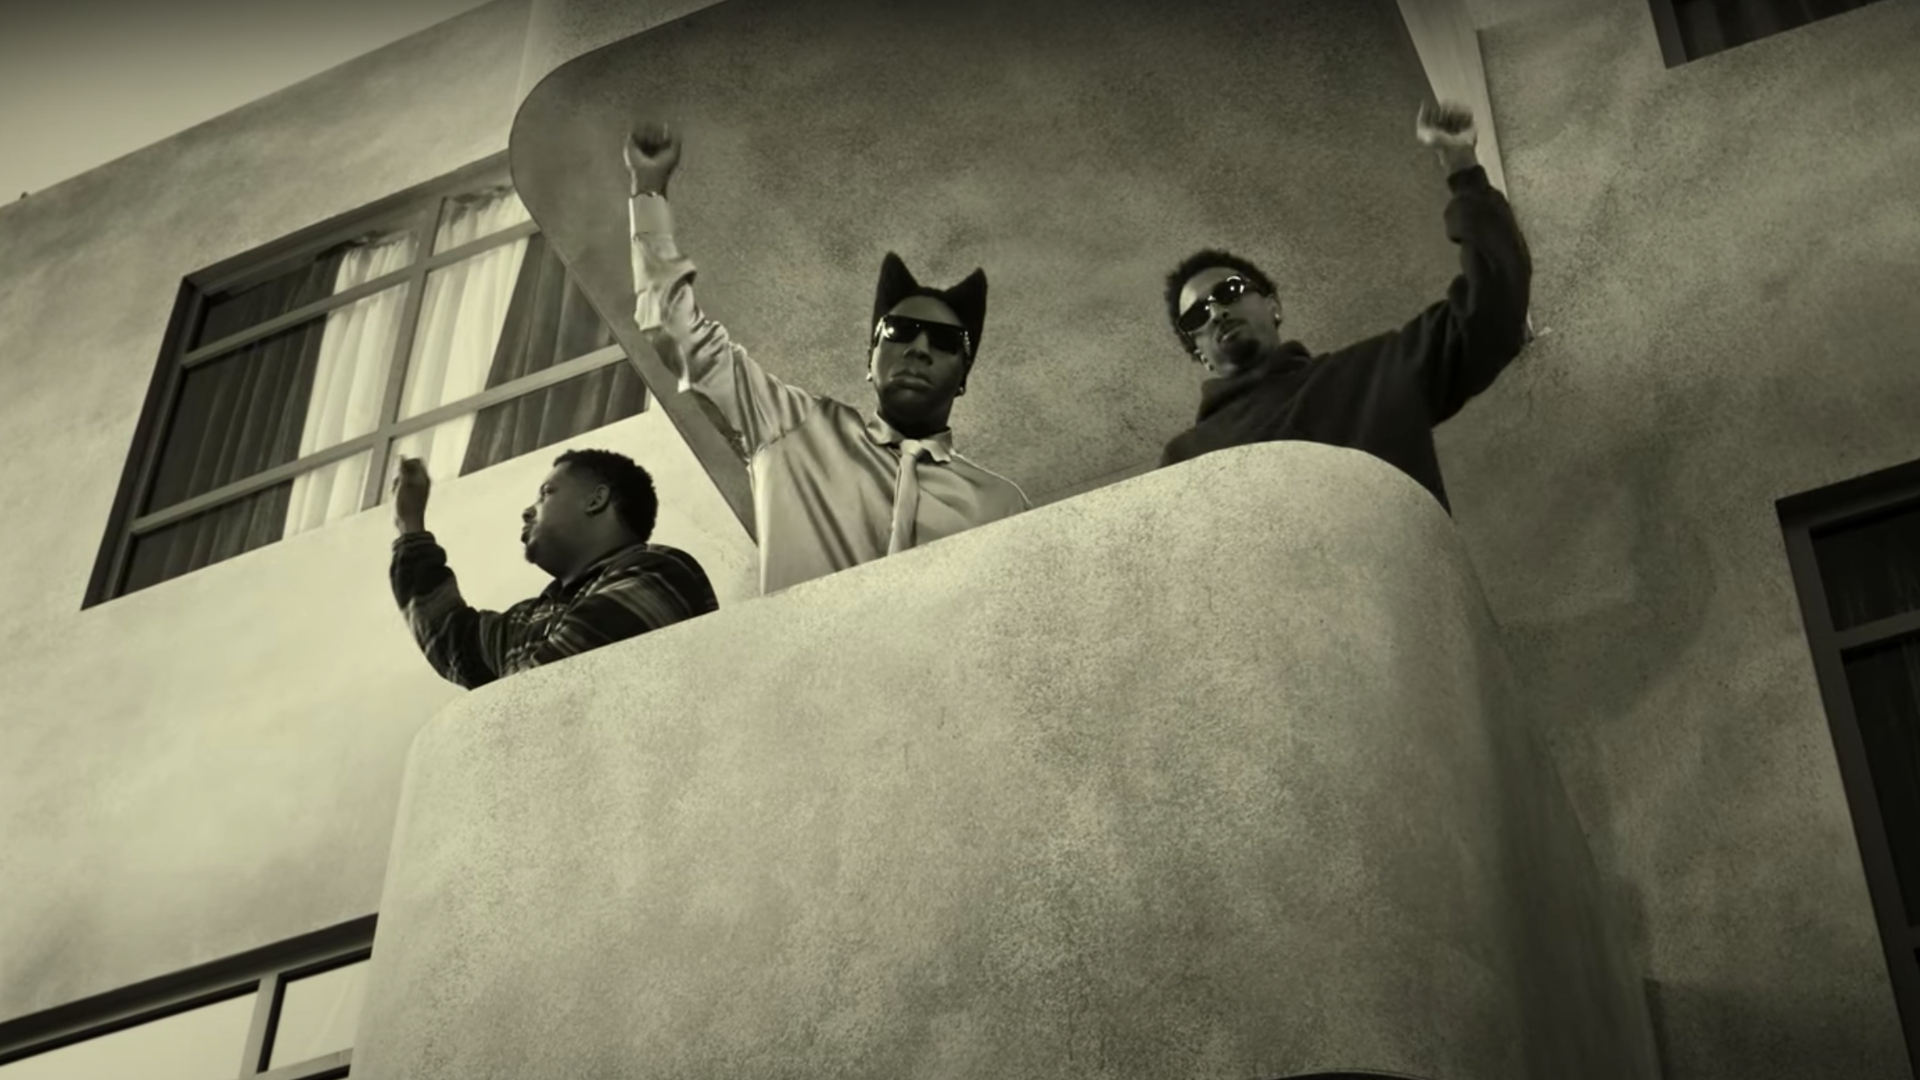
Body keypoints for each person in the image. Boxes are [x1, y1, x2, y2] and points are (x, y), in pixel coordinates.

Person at [621, 123, 1028, 595]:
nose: (919, 348)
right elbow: (676, 331)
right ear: (870, 358)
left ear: (963, 377)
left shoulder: (1000, 505)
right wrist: (648, 190)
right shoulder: (791, 427)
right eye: (898, 331)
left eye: (944, 341)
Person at [1159, 101, 1533, 515]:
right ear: (1199, 355)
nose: (1216, 312)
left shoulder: (1371, 374)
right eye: (1196, 315)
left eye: (1229, 291)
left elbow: (1493, 307)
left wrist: (1461, 164)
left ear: (1273, 306)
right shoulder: (1184, 462)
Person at [388, 448, 718, 688]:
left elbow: (548, 692)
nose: (527, 511)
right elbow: (452, 641)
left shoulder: (659, 572)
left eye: (546, 493)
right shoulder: (527, 619)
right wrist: (409, 525)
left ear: (596, 500)